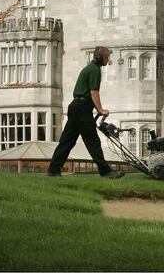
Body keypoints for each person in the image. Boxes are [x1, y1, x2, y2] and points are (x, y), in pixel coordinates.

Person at [47, 46, 124, 178]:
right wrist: (100, 109)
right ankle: (106, 172)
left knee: (67, 141)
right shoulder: (95, 70)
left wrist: (95, 108)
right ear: (100, 57)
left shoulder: (90, 68)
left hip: (75, 107)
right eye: (106, 57)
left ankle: (53, 170)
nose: (108, 59)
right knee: (92, 141)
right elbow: (93, 92)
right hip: (82, 109)